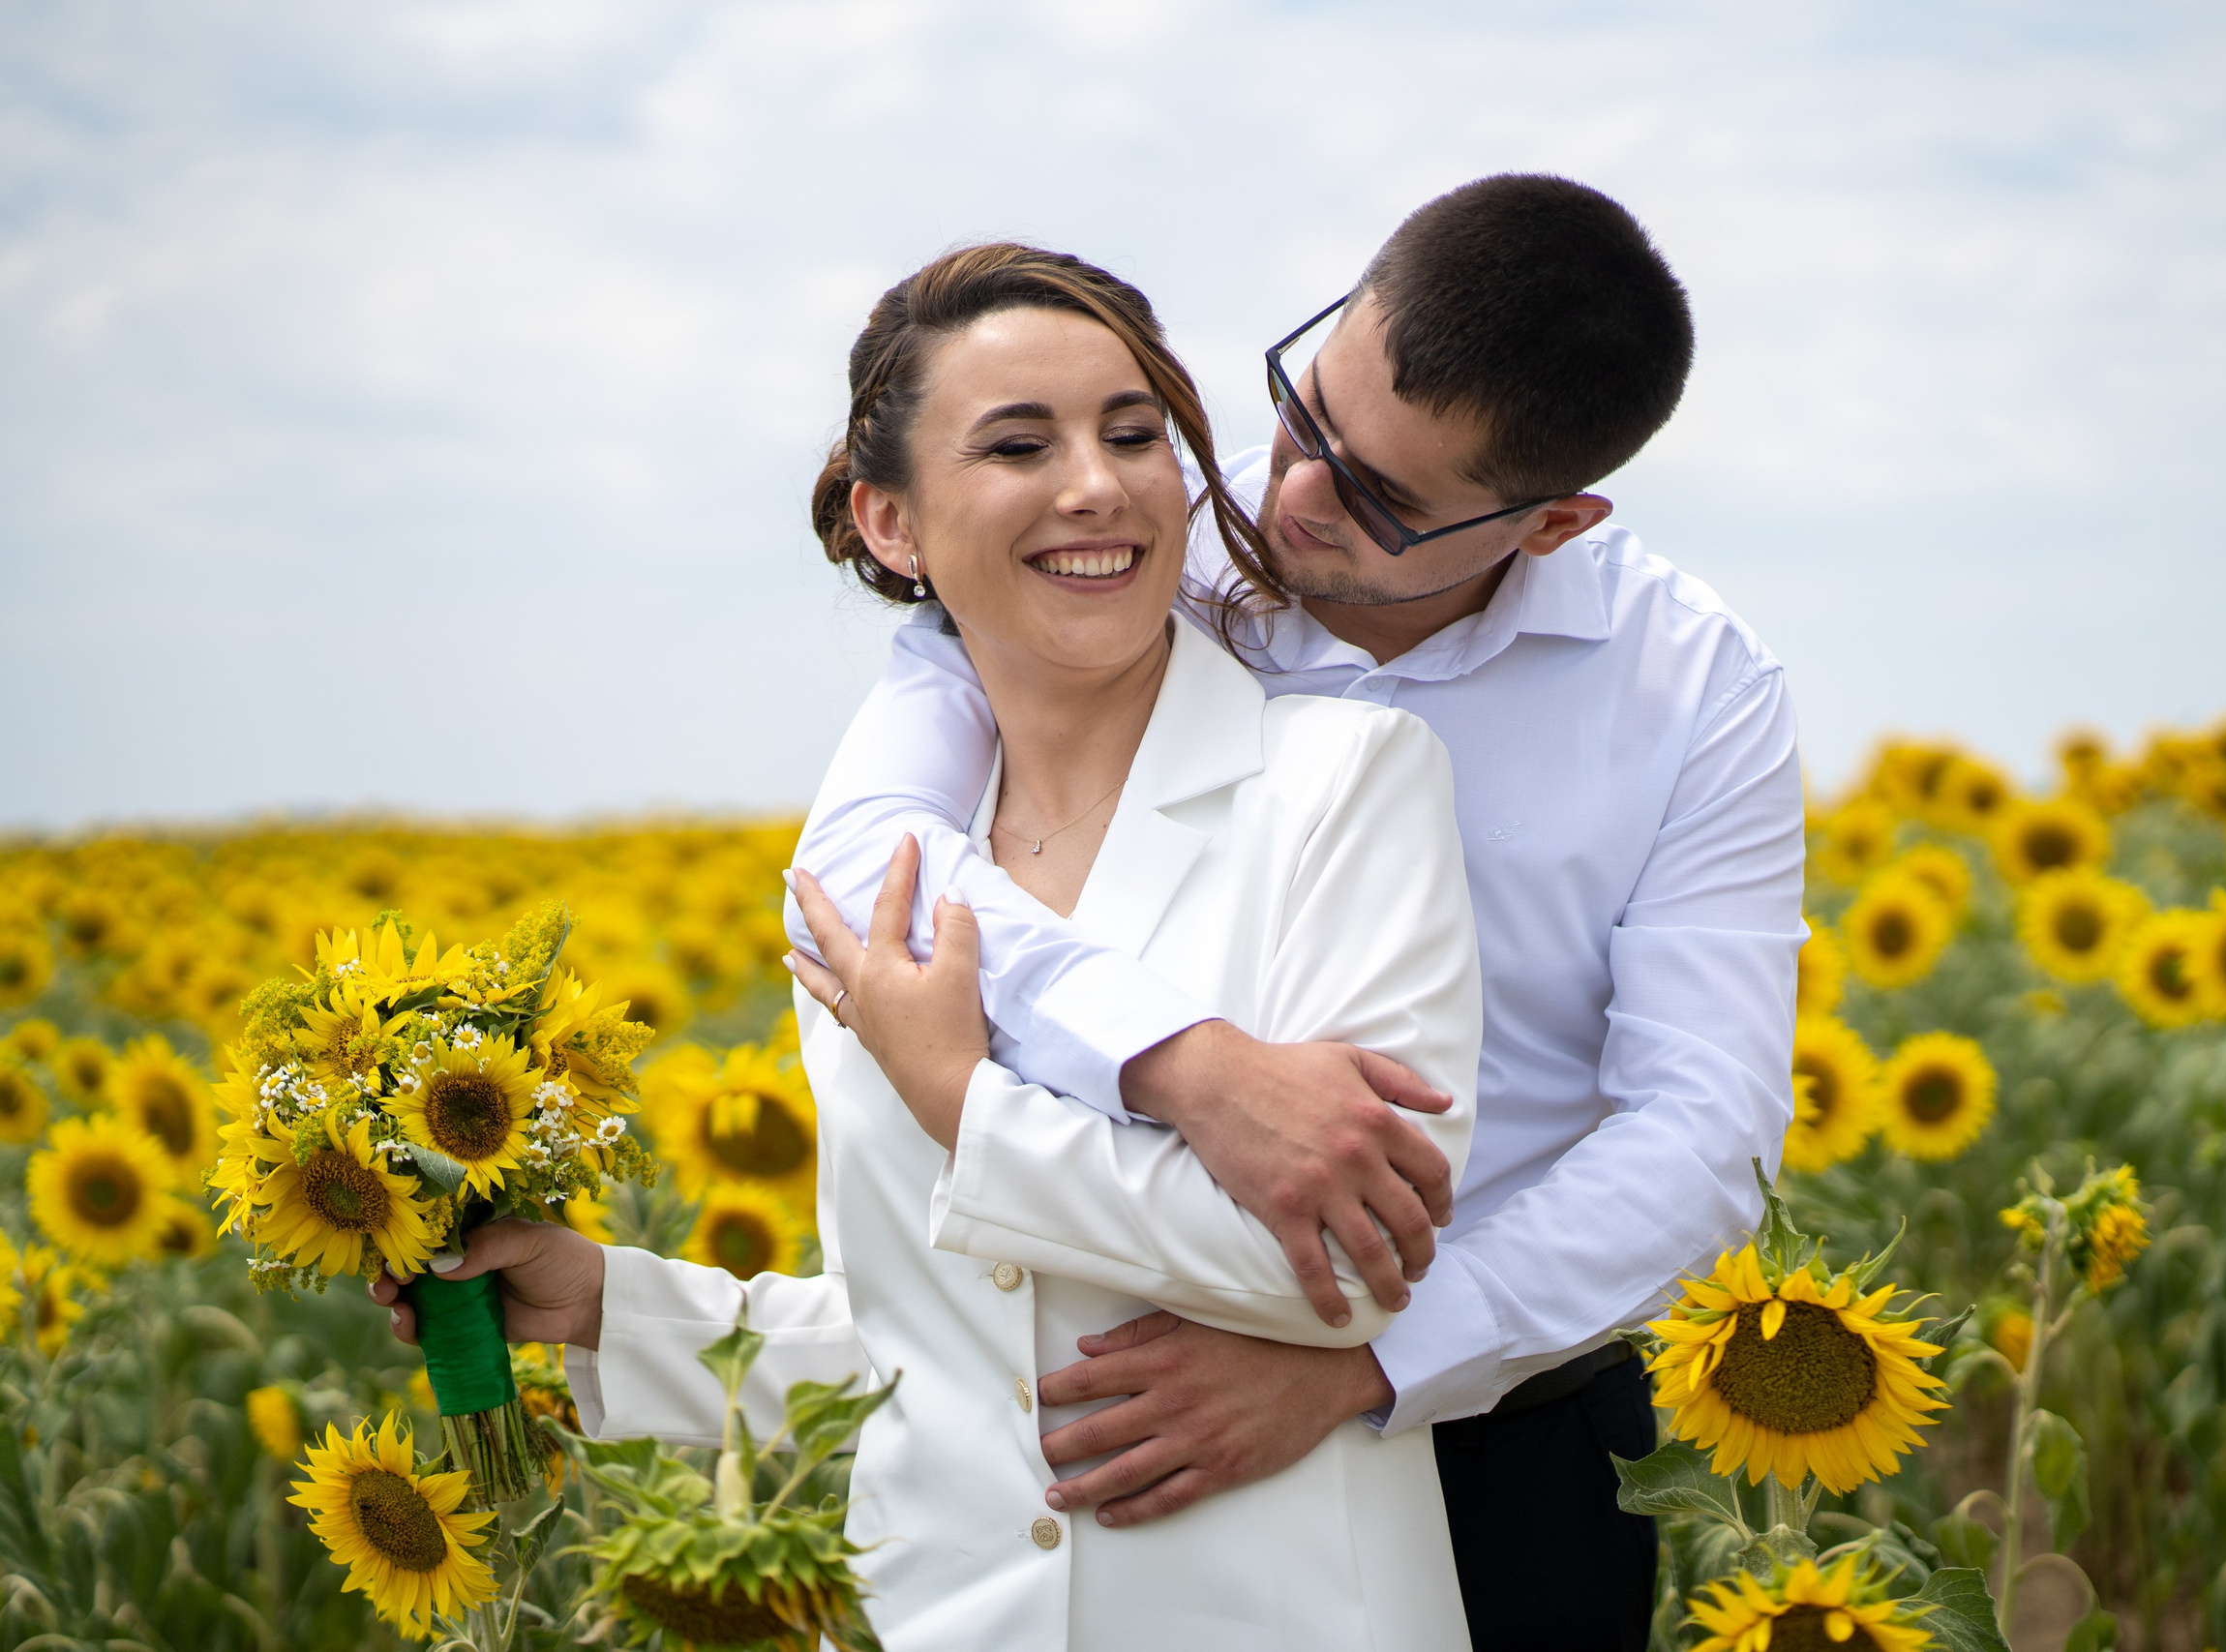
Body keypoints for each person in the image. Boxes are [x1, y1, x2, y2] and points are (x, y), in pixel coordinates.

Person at [376, 242, 1485, 1652]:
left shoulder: (1353, 782)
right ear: (890, 525)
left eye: (1135, 435)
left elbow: (1341, 1274)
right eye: (1020, 444)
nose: (1097, 483)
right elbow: (938, 1331)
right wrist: (612, 1308)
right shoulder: (872, 883)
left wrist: (968, 1106)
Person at [786, 174, 1805, 1650]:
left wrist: (1368, 1367)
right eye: (1307, 411)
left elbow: (1701, 1135)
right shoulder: (1132, 548)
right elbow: (878, 858)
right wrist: (1181, 1062)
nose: (1295, 499)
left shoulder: (1694, 692)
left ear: (1556, 523)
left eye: (1387, 500)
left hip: (1504, 1403)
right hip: (1106, 1352)